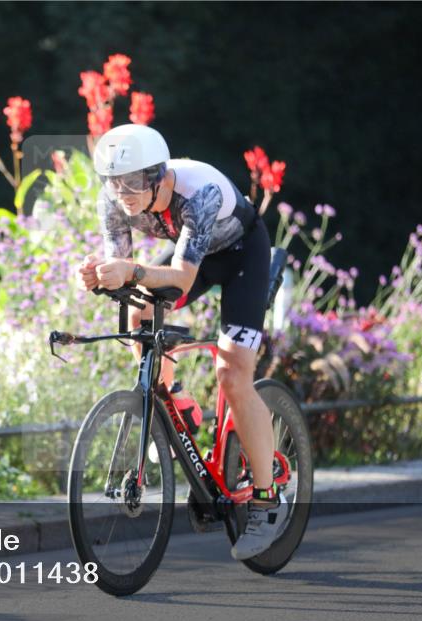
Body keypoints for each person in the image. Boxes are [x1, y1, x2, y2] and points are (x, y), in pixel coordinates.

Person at [75, 124, 282, 560]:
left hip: (241, 255)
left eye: (133, 181)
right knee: (138, 311)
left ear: (158, 176)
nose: (123, 193)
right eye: (114, 182)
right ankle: (177, 400)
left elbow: (183, 278)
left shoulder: (197, 192)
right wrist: (98, 274)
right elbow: (123, 268)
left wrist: (130, 271)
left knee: (232, 375)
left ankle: (267, 503)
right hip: (196, 252)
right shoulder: (114, 199)